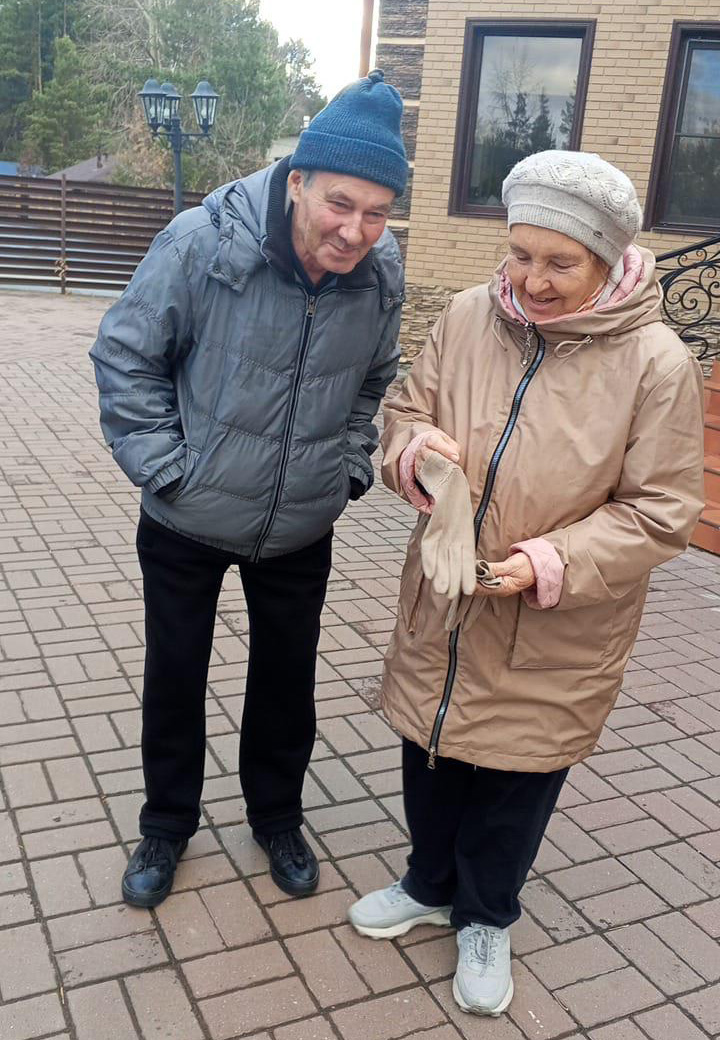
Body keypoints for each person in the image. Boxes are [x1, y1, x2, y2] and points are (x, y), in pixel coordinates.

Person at [348, 150, 705, 1016]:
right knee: (431, 746)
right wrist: (414, 452)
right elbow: (407, 410)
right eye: (519, 254)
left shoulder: (656, 363)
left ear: (607, 259)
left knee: (517, 775)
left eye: (560, 263)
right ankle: (429, 884)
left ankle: (486, 915)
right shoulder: (469, 315)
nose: (532, 281)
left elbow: (662, 510)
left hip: (556, 621)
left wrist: (551, 560)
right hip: (446, 595)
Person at [90, 70, 407, 908]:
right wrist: (167, 468)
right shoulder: (201, 243)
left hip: (300, 519)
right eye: (341, 204)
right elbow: (125, 356)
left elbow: (375, 378)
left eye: (378, 213)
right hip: (187, 516)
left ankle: (277, 817)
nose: (355, 231)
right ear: (298, 181)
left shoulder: (381, 271)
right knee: (175, 675)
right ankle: (166, 824)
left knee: (286, 681)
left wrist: (347, 464)